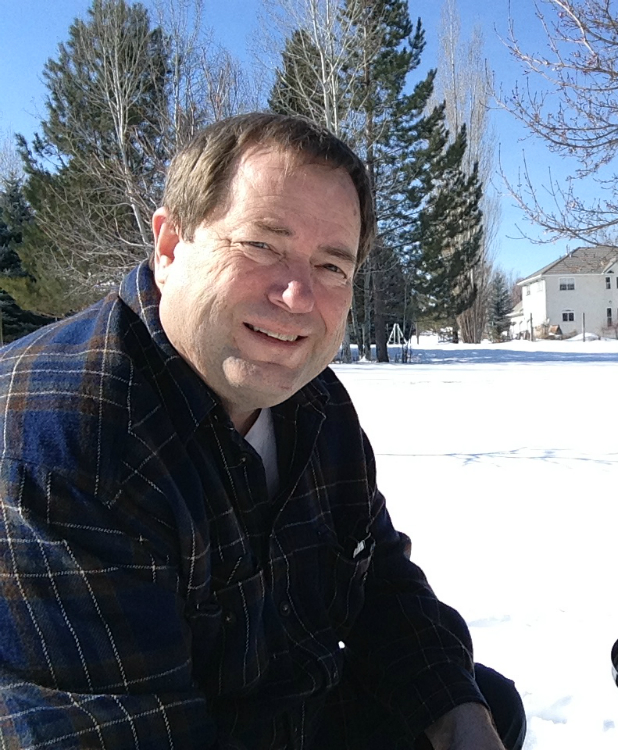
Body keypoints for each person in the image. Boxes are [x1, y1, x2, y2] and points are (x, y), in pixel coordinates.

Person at [0, 113, 526, 750]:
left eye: (333, 266)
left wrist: (455, 712)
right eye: (262, 245)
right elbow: (126, 730)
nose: (299, 296)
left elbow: (378, 577)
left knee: (483, 703)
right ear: (169, 248)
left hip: (289, 716)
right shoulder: (66, 432)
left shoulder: (317, 406)